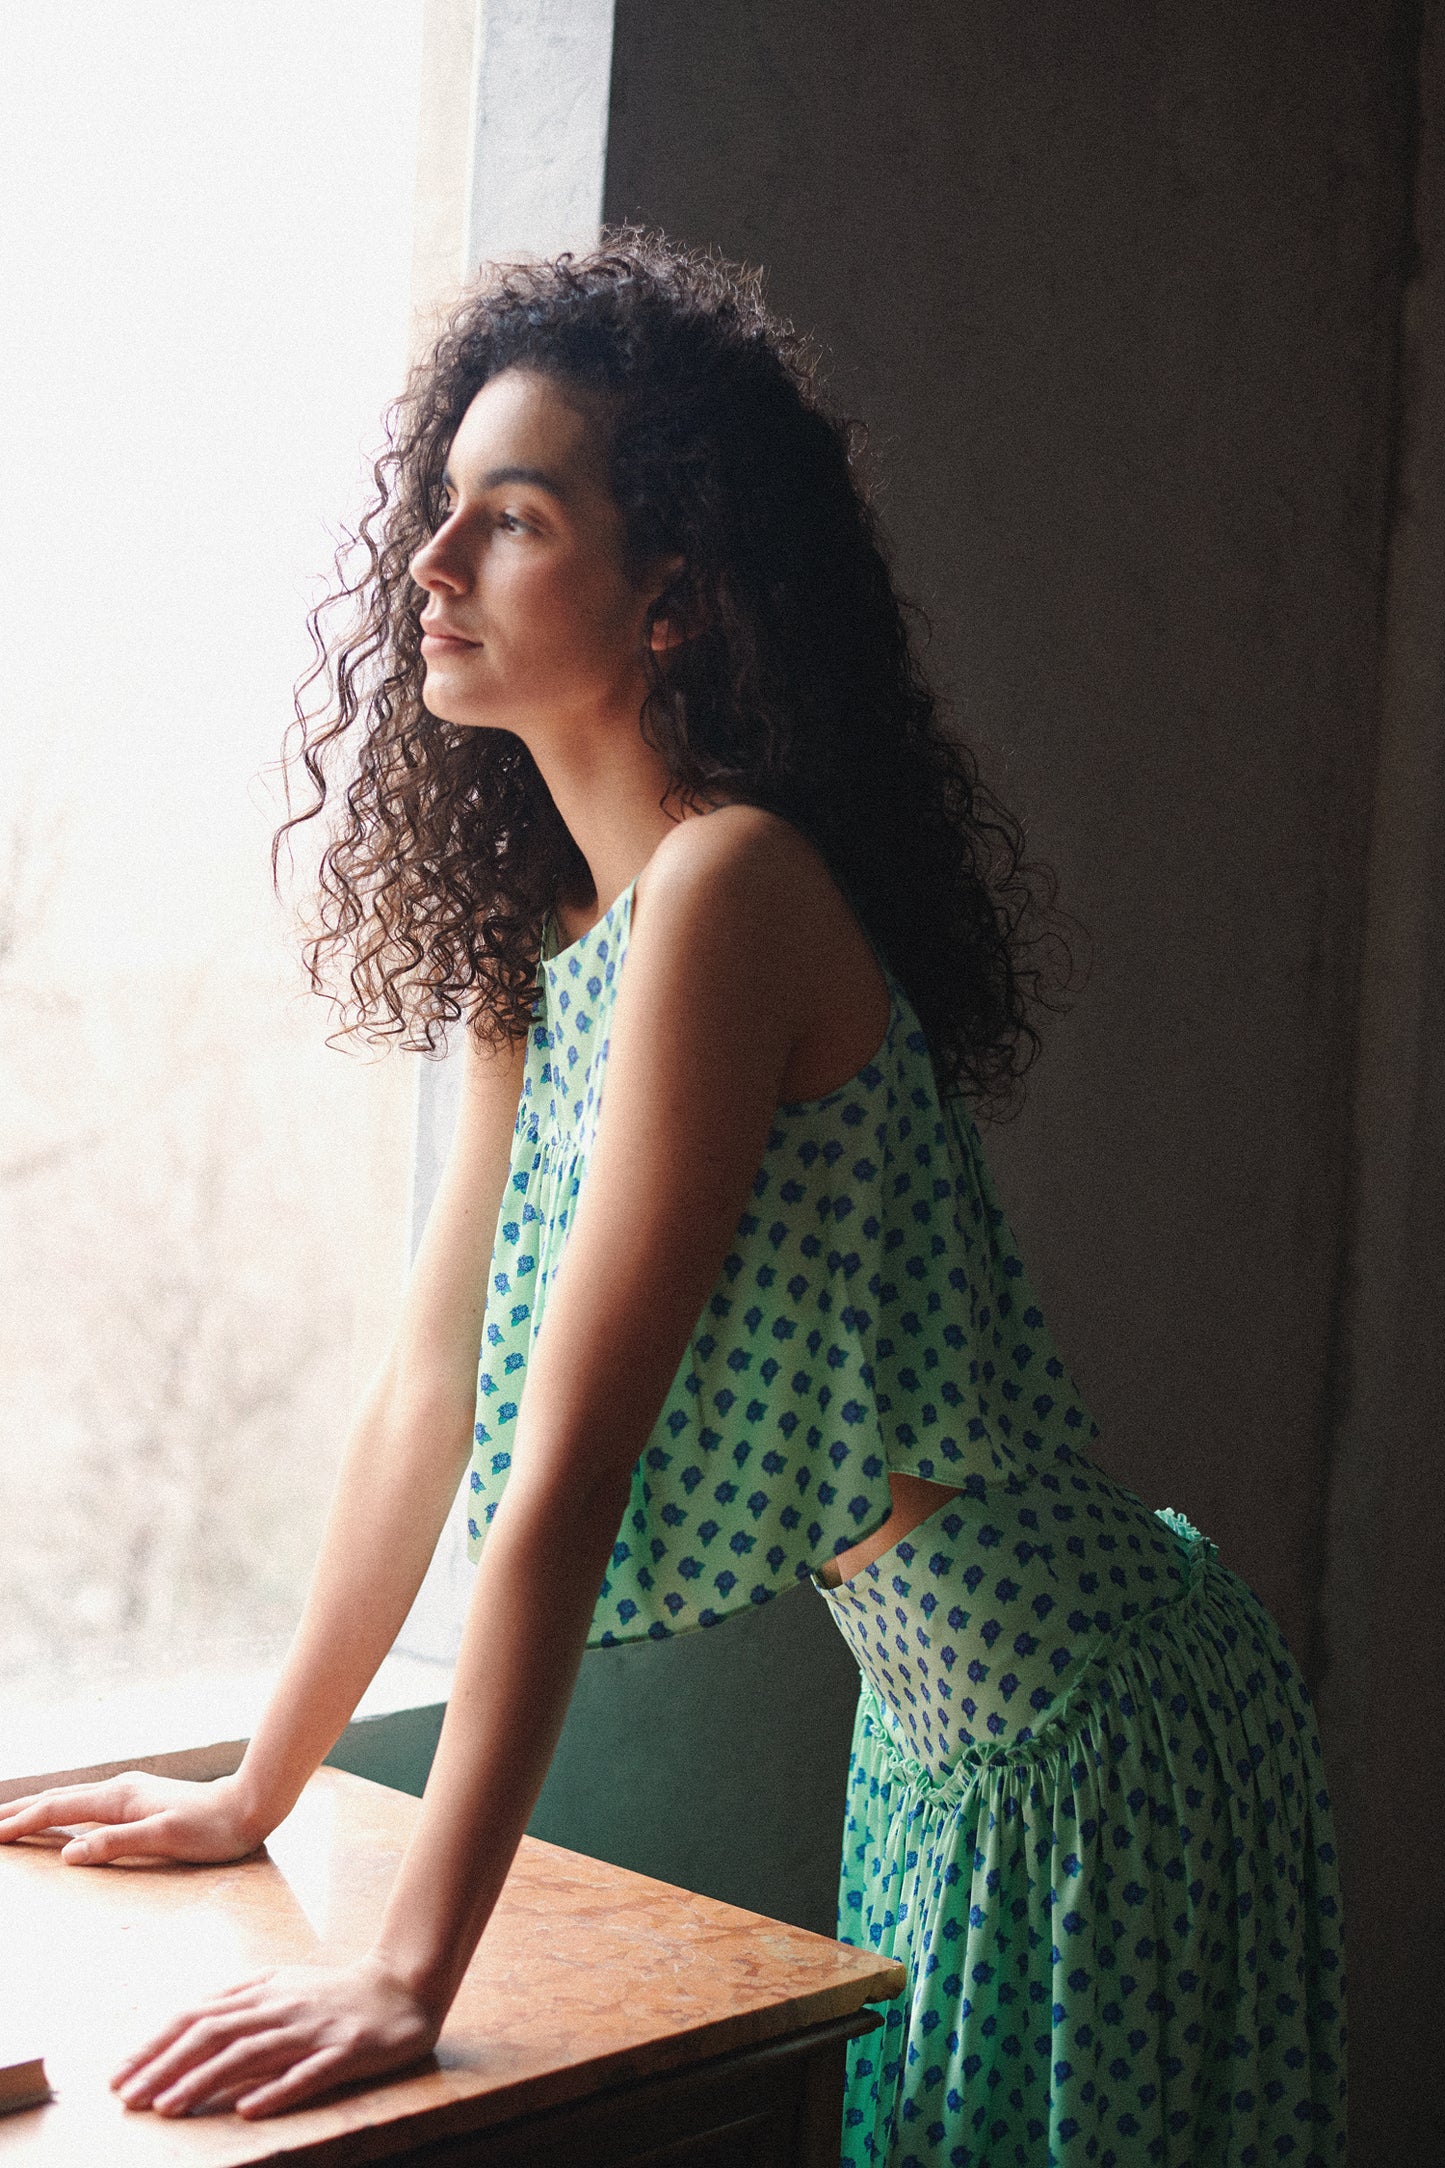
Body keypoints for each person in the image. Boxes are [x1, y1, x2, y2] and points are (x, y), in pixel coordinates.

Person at [0, 235, 1345, 2163]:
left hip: (1097, 1738)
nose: (430, 562)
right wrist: (251, 1787)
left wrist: (408, 1975)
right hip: (938, 1755)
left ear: (675, 595)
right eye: (440, 507)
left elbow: (570, 1463)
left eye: (512, 517)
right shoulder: (549, 950)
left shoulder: (731, 891)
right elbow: (425, 1398)